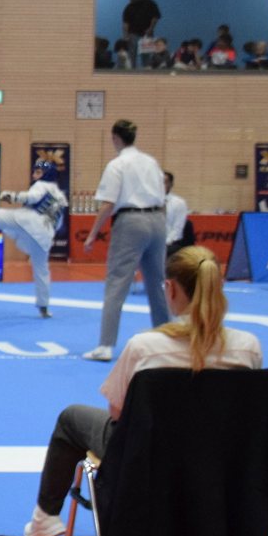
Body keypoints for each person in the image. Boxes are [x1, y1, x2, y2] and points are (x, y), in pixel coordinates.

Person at [23, 245, 263, 536]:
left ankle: (44, 520)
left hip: (147, 460)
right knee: (191, 444)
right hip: (217, 463)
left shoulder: (146, 347)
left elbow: (118, 412)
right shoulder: (248, 348)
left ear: (170, 288)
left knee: (71, 419)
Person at [82, 119, 170, 361]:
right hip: (157, 219)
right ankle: (167, 340)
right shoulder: (151, 162)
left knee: (117, 282)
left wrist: (92, 234)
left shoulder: (117, 165)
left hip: (131, 221)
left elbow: (108, 203)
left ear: (115, 138)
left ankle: (105, 345)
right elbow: (162, 198)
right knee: (157, 284)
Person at [0, 158, 67, 317]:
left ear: (46, 174)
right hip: (44, 235)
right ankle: (44, 306)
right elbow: (59, 224)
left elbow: (33, 196)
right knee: (41, 270)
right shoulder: (61, 198)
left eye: (38, 172)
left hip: (27, 221)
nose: (34, 175)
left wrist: (14, 196)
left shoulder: (41, 185)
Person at [121, 0, 160, 68]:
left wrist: (151, 28)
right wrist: (125, 35)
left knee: (146, 55)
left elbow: (155, 17)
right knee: (132, 54)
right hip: (133, 33)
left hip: (147, 33)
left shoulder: (149, 3)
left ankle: (146, 71)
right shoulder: (129, 7)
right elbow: (125, 23)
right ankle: (131, 71)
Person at [163, 171, 193, 255]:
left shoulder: (179, 203)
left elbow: (177, 229)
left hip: (172, 242)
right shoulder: (150, 202)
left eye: (165, 182)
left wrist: (165, 243)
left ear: (171, 184)